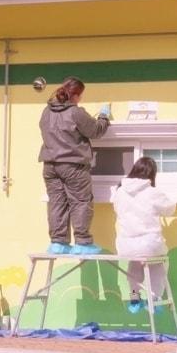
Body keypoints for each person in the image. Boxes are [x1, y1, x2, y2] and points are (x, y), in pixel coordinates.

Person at [39, 76, 112, 255]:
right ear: (76, 95)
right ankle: (82, 243)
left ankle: (58, 242)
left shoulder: (46, 112)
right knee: (80, 201)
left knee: (56, 202)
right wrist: (104, 116)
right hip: (73, 165)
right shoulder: (75, 112)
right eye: (81, 96)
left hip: (50, 165)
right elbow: (95, 131)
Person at [111, 156, 176, 314]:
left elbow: (116, 209)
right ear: (152, 174)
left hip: (125, 246)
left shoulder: (120, 191)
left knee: (134, 265)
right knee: (158, 264)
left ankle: (134, 297)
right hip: (149, 244)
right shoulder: (152, 192)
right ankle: (154, 299)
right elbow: (170, 209)